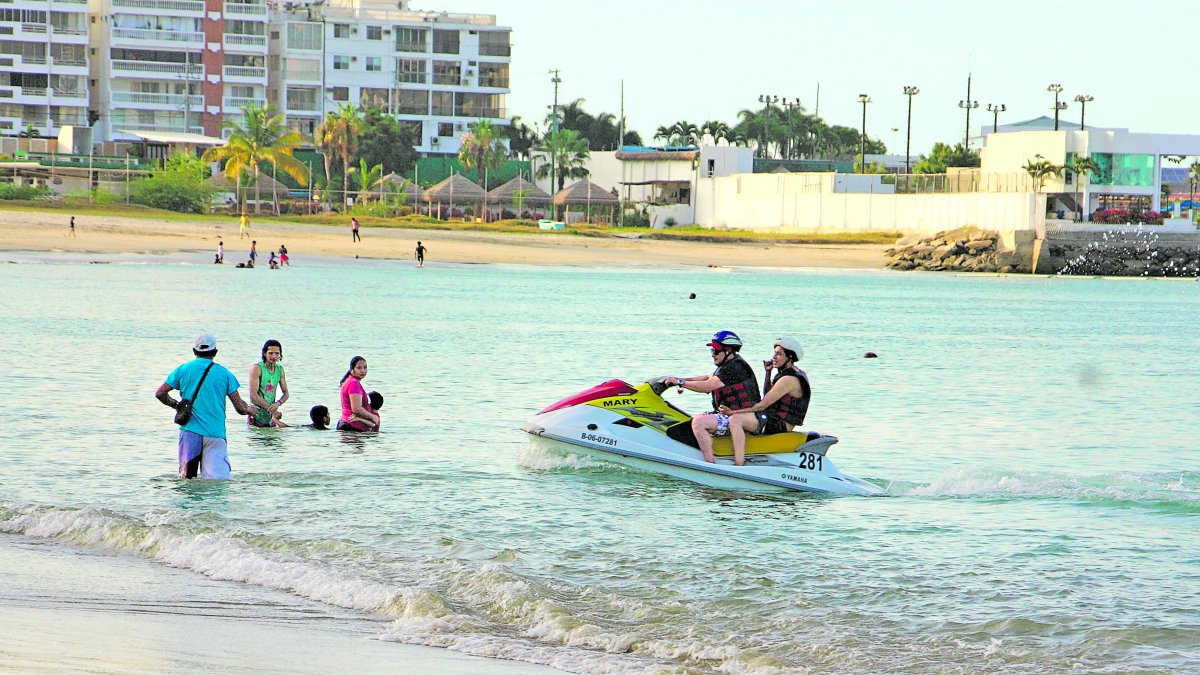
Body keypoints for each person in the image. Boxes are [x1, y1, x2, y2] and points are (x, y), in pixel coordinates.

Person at [155, 333, 254, 479]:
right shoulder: (225, 374)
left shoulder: (183, 369)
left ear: (194, 351)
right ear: (215, 352)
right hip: (215, 434)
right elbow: (240, 408)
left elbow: (160, 393)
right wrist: (251, 409)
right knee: (217, 483)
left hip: (190, 432)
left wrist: (176, 405)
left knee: (187, 481)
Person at [664, 330, 761, 465]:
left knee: (699, 422)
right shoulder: (728, 365)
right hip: (729, 414)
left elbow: (707, 386)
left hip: (743, 417)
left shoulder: (736, 367)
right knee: (692, 419)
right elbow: (707, 378)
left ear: (729, 351)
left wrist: (681, 383)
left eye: (716, 351)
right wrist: (679, 379)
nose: (713, 355)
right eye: (712, 351)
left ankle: (709, 464)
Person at [718, 337, 812, 466]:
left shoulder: (789, 379)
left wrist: (732, 412)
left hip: (781, 424)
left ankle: (739, 463)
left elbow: (762, 405)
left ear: (790, 356)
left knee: (736, 419)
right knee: (743, 414)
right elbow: (768, 395)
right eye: (774, 353)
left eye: (779, 354)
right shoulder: (791, 373)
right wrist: (768, 373)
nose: (774, 357)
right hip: (773, 418)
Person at [248, 339, 289, 428]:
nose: (274, 356)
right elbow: (253, 396)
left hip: (270, 417)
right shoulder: (257, 368)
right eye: (270, 353)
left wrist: (278, 403)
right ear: (264, 353)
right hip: (256, 416)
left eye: (277, 353)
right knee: (257, 441)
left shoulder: (280, 369)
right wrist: (271, 409)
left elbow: (286, 393)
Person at [338, 356, 378, 431]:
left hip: (347, 423)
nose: (363, 370)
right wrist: (373, 417)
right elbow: (356, 409)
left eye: (365, 367)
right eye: (359, 368)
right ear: (352, 369)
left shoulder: (349, 381)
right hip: (352, 425)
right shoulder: (354, 383)